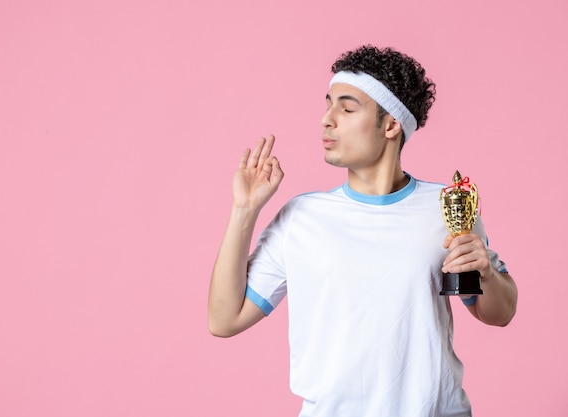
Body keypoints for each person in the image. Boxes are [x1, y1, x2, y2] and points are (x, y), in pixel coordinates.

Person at [207, 45, 517, 417]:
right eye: (328, 104)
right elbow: (224, 320)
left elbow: (500, 312)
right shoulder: (302, 217)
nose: (326, 119)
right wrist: (244, 210)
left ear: (390, 125)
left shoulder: (447, 206)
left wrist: (484, 270)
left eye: (347, 108)